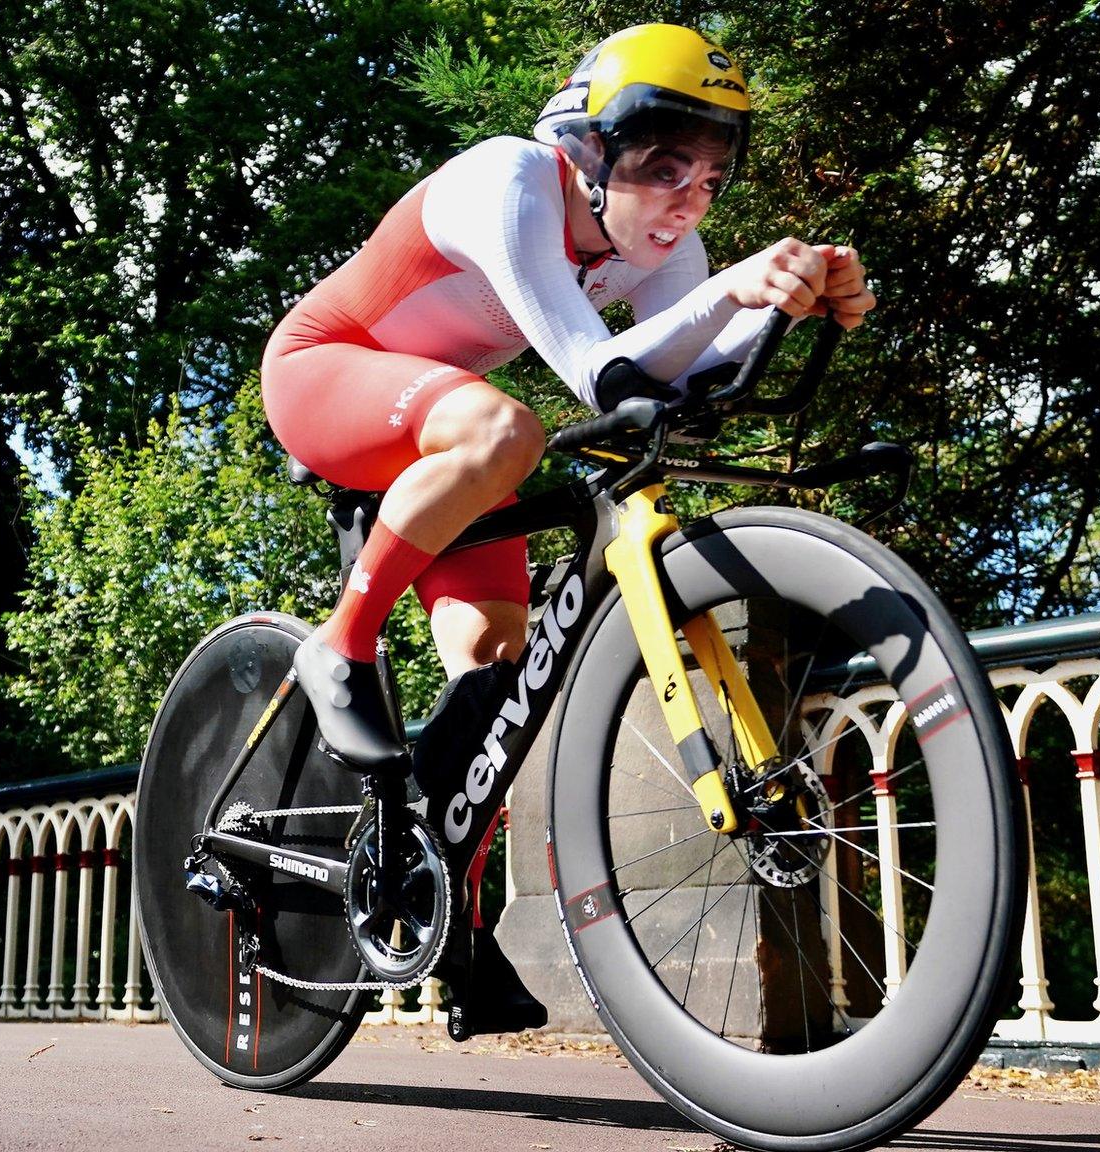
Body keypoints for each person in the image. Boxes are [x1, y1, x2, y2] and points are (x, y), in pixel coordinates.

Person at [258, 23, 876, 1033]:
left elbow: (687, 386)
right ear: (590, 150)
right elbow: (602, 372)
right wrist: (732, 288)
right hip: (325, 368)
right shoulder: (509, 183)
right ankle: (341, 644)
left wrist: (791, 309)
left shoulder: (663, 250)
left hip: (436, 423)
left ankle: (436, 904)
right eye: (662, 164)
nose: (688, 199)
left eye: (712, 176)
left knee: (497, 668)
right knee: (510, 428)